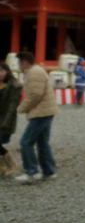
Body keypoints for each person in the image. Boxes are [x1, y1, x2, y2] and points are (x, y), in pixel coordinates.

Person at [14, 52, 58, 183]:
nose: (18, 65)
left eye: (19, 62)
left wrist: (21, 108)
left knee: (26, 142)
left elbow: (35, 95)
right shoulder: (36, 71)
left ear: (24, 62)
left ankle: (32, 172)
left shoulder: (34, 73)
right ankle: (49, 171)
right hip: (46, 111)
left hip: (41, 112)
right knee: (42, 143)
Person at [0, 63, 21, 176]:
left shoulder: (14, 85)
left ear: (7, 71)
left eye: (2, 71)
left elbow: (13, 105)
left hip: (6, 119)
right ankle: (2, 167)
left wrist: (6, 122)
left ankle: (11, 164)